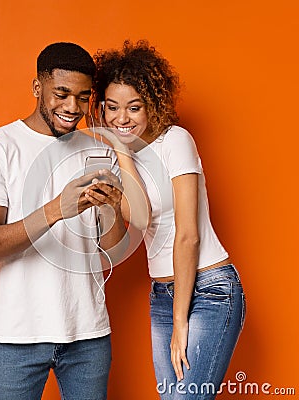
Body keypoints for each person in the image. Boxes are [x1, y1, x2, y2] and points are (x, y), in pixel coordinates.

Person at [0, 42, 130, 400]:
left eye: (83, 97)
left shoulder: (99, 150)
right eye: (62, 94)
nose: (72, 108)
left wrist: (114, 208)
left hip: (88, 335)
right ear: (38, 88)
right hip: (18, 336)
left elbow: (112, 248)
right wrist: (56, 209)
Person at [92, 40, 246, 399]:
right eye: (112, 108)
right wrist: (119, 148)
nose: (122, 118)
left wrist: (181, 321)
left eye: (134, 107)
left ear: (153, 104)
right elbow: (140, 217)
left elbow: (187, 236)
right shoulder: (124, 154)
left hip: (209, 290)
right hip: (162, 294)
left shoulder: (175, 141)